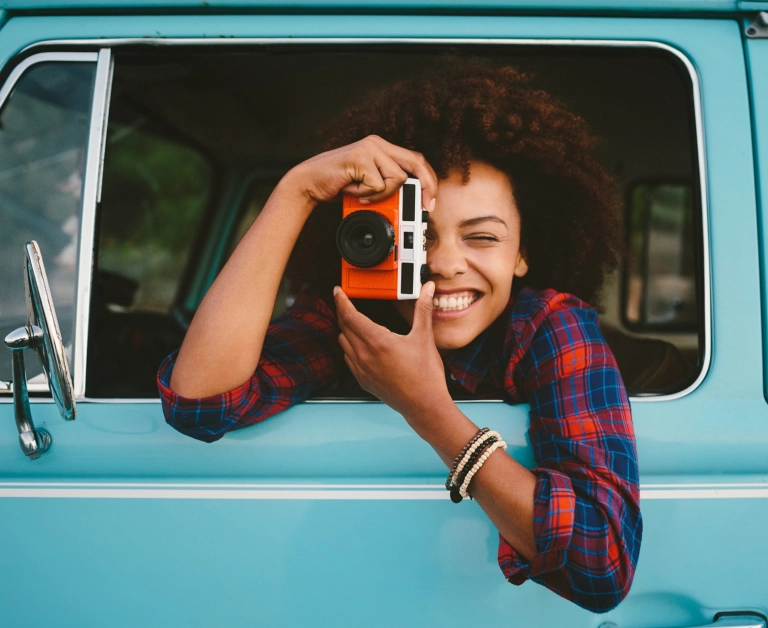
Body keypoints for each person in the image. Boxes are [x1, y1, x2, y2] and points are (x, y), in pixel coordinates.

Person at [157, 62, 642, 613]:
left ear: (525, 253)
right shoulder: (357, 312)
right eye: (415, 235)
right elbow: (199, 404)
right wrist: (297, 190)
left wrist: (427, 409)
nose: (443, 262)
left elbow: (601, 564)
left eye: (482, 236)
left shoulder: (550, 325)